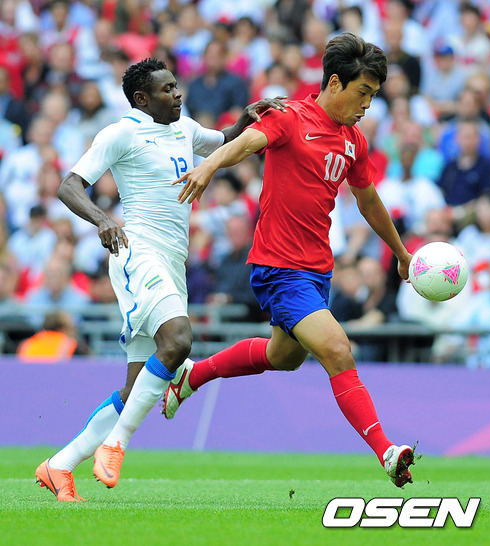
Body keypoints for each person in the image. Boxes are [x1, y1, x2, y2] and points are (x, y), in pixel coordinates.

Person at [163, 33, 417, 489]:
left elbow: (369, 201)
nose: (367, 105)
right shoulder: (288, 117)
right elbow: (246, 142)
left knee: (283, 356)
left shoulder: (354, 141)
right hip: (279, 266)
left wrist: (401, 254)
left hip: (318, 269)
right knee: (337, 350)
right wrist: (209, 165)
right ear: (335, 83)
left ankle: (193, 375)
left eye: (374, 96)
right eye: (363, 93)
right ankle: (387, 451)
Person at [34, 57, 285, 502]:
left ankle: (60, 464)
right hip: (138, 253)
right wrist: (102, 219)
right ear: (142, 98)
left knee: (136, 387)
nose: (178, 93)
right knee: (179, 341)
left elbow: (225, 140)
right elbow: (69, 185)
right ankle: (116, 445)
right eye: (167, 89)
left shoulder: (184, 128)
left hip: (172, 262)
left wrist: (247, 118)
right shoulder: (120, 133)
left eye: (176, 86)